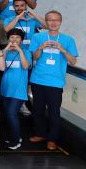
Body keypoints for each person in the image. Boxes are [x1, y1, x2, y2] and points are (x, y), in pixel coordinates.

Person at [29, 10, 78, 151]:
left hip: (56, 82)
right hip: (38, 79)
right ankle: (40, 133)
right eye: (50, 20)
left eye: (56, 20)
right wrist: (41, 48)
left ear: (60, 22)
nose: (53, 23)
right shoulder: (38, 37)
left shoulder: (68, 40)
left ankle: (52, 139)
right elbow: (35, 57)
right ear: (46, 21)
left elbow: (73, 61)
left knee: (54, 111)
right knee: (37, 109)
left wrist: (63, 50)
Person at [0, 28, 31, 150]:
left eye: (17, 37)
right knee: (8, 115)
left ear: (21, 40)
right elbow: (0, 66)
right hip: (6, 88)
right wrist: (6, 49)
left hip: (18, 90)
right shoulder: (4, 51)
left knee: (12, 114)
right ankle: (15, 135)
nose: (14, 40)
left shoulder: (26, 52)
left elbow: (26, 66)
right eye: (11, 37)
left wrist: (20, 50)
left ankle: (16, 140)